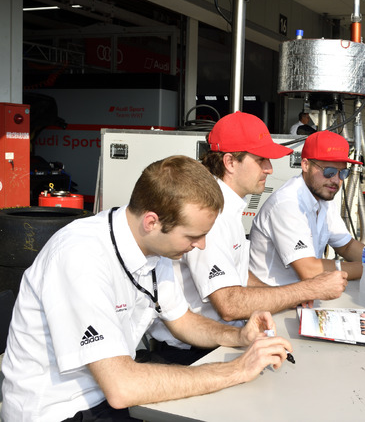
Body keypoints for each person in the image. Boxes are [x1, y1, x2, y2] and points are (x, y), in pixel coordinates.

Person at [0, 155, 292, 422]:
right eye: (193, 235)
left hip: (104, 398)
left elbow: (182, 320)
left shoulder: (155, 248)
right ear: (152, 221)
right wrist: (237, 369)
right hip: (59, 409)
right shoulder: (81, 256)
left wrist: (239, 336)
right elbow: (122, 387)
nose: (200, 245)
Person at [147, 113, 348, 358]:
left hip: (218, 341)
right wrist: (306, 291)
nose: (270, 168)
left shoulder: (225, 204)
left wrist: (281, 297)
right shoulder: (211, 213)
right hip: (194, 353)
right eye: (261, 159)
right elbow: (229, 305)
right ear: (230, 162)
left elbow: (237, 272)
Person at [249, 130, 365, 286]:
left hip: (304, 295)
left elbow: (346, 246)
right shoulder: (287, 204)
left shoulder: (323, 197)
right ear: (305, 165)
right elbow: (308, 270)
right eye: (329, 172)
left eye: (343, 173)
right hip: (273, 300)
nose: (336, 180)